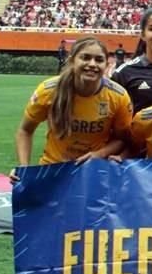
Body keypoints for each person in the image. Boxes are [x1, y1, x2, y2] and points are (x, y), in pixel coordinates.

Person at [12, 37, 132, 181]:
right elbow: (25, 130)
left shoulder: (118, 96)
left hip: (94, 174)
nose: (92, 64)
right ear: (72, 61)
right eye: (85, 58)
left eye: (99, 60)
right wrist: (24, 168)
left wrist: (99, 154)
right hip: (53, 172)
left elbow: (122, 140)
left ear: (106, 65)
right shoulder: (48, 91)